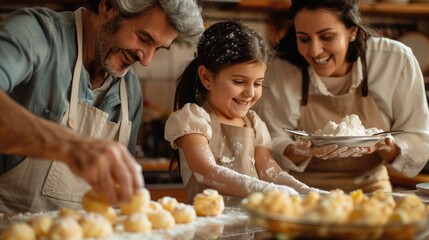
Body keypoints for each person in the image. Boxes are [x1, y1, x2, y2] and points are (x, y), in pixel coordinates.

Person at [0, 0, 204, 213]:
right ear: (107, 7)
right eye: (143, 38)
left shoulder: (129, 90)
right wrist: (69, 145)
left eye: (158, 49)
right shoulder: (36, 34)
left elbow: (119, 196)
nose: (146, 60)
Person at [256, 0, 429, 193]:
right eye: (304, 39)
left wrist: (384, 146)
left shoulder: (394, 60)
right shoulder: (283, 69)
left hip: (371, 190)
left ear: (352, 31)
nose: (314, 51)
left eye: (327, 37)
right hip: (301, 191)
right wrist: (303, 150)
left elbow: (418, 139)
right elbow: (271, 143)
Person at [164, 20, 322, 206]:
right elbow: (207, 172)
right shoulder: (193, 120)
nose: (250, 93)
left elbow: (269, 171)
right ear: (207, 78)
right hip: (212, 230)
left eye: (257, 83)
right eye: (239, 82)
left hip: (254, 230)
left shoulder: (254, 124)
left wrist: (304, 191)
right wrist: (268, 190)